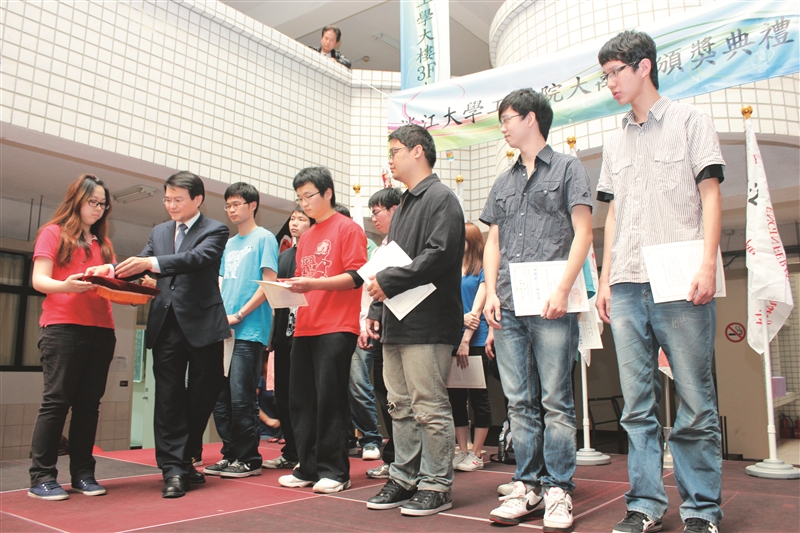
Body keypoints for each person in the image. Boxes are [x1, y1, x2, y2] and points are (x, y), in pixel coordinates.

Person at [595, 30, 725, 533]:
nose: (610, 83)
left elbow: (710, 195)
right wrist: (605, 279)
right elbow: (613, 215)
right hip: (627, 283)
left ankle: (701, 511)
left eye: (615, 72)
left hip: (680, 280)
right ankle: (645, 504)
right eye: (605, 75)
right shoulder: (614, 140)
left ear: (644, 66)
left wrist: (708, 264)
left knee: (695, 401)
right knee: (636, 406)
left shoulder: (691, 121)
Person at [481, 88, 593, 529]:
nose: (503, 128)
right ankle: (527, 485)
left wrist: (564, 289)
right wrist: (491, 292)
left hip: (552, 303)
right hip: (509, 302)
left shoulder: (568, 167)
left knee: (556, 401)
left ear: (531, 118)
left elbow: (583, 232)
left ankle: (558, 488)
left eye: (507, 118)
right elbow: (493, 241)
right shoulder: (503, 182)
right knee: (519, 402)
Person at [365, 124, 465, 517]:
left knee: (429, 405)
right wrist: (376, 309)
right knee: (399, 405)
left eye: (395, 151)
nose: (390, 160)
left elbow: (439, 254)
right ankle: (404, 477)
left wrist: (387, 283)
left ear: (418, 151)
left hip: (428, 319)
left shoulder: (442, 198)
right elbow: (389, 260)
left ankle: (437, 484)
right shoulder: (404, 204)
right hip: (397, 319)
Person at [115, 171, 230, 498]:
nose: (171, 205)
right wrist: (121, 273)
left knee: (203, 395)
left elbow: (196, 259)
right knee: (167, 399)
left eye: (178, 199)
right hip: (165, 324)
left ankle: (185, 456)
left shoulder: (215, 229)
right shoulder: (159, 231)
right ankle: (174, 469)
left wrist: (149, 264)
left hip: (204, 325)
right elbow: (143, 264)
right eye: (167, 199)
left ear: (197, 199)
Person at [276, 167, 367, 494]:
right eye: (299, 198)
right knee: (301, 401)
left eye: (308, 196)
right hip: (305, 326)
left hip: (337, 326)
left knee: (330, 398)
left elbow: (357, 276)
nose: (304, 203)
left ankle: (335, 471)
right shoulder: (307, 236)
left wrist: (312, 284)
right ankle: (308, 466)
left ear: (327, 193)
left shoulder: (348, 229)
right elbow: (305, 280)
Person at [27, 175, 117, 501]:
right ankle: (41, 478)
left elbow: (111, 285)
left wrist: (134, 286)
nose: (98, 208)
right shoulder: (53, 233)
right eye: (92, 202)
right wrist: (67, 286)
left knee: (88, 406)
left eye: (103, 204)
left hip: (102, 329)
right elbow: (39, 280)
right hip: (62, 327)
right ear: (76, 200)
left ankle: (83, 474)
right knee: (56, 402)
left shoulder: (103, 244)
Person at [204, 182, 278, 478]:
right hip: (224, 330)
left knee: (241, 397)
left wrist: (240, 313)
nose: (231, 210)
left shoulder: (265, 238)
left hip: (249, 329)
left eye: (237, 204)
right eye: (228, 205)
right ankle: (230, 453)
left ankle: (249, 458)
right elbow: (221, 284)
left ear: (253, 205)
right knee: (219, 398)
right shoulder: (228, 243)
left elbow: (269, 284)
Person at [262, 206, 314, 470]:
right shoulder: (283, 257)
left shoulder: (315, 256)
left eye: (301, 219)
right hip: (282, 335)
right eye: (292, 219)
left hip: (307, 335)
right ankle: (291, 450)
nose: (294, 223)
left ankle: (308, 453)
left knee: (304, 397)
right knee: (282, 395)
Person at [357, 187, 403, 479]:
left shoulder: (407, 243)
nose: (373, 218)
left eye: (377, 212)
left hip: (403, 329)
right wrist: (365, 322)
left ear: (395, 209)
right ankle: (395, 457)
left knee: (404, 397)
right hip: (379, 329)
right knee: (385, 394)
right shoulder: (381, 249)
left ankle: (408, 459)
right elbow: (369, 292)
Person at [449, 222, 492, 473]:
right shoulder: (453, 267)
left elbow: (476, 310)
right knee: (456, 399)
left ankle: (476, 453)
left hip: (475, 340)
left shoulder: (483, 268)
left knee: (479, 398)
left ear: (472, 241)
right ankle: (462, 450)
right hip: (452, 338)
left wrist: (466, 340)